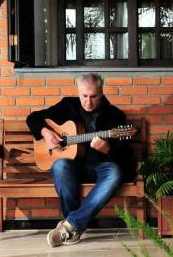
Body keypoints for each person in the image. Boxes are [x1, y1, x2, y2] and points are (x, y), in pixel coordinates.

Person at [26, 73, 132, 247]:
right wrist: (46, 133)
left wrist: (108, 149)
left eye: (93, 96)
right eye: (84, 96)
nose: (88, 102)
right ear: (78, 92)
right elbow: (32, 118)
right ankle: (73, 227)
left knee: (115, 173)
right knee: (60, 164)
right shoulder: (68, 106)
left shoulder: (115, 115)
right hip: (73, 167)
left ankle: (70, 226)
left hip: (100, 167)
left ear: (102, 92)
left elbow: (125, 156)